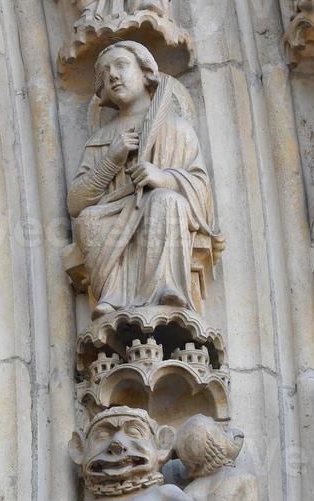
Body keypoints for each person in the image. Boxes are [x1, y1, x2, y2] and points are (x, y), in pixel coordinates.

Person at [68, 41, 219, 319]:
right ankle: (112, 293)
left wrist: (163, 178)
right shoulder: (100, 140)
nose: (112, 75)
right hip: (114, 212)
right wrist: (111, 159)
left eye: (122, 65)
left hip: (158, 208)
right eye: (105, 72)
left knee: (165, 201)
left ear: (146, 73)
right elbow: (76, 202)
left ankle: (165, 288)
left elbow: (200, 188)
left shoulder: (176, 129)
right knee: (88, 219)